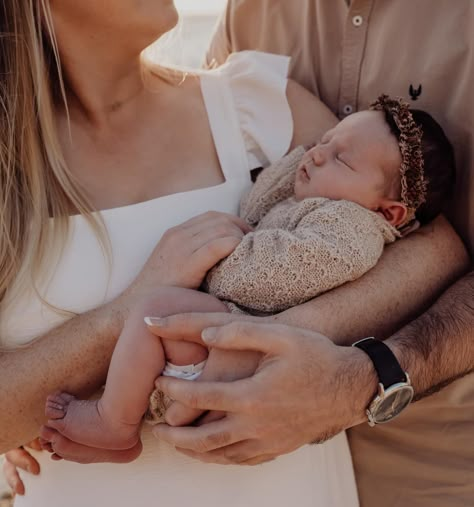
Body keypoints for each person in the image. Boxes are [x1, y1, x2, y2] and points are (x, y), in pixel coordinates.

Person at [0, 1, 467, 506]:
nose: (320, 156)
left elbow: (432, 248)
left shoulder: (253, 103)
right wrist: (130, 310)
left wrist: (257, 344)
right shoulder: (11, 163)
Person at [40, 95, 456, 452]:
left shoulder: (353, 231)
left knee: (158, 309)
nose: (318, 153)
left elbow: (283, 273)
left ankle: (114, 423)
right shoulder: (323, 199)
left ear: (389, 212)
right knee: (154, 320)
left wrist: (213, 259)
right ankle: (113, 411)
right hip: (224, 335)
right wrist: (309, 158)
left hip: (241, 343)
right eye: (324, 140)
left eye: (342, 159)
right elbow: (256, 207)